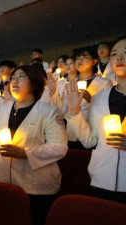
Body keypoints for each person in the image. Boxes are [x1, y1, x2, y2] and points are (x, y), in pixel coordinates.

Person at [0, 65, 67, 225]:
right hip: (3, 182)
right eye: (12, 78)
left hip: (36, 188)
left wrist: (26, 153)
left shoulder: (49, 111)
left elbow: (60, 147)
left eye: (21, 77)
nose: (14, 81)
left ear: (35, 83)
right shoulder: (2, 110)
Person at [65, 36, 126, 204]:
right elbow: (90, 141)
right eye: (114, 54)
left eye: (125, 53)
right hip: (102, 178)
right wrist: (74, 112)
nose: (119, 57)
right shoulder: (100, 98)